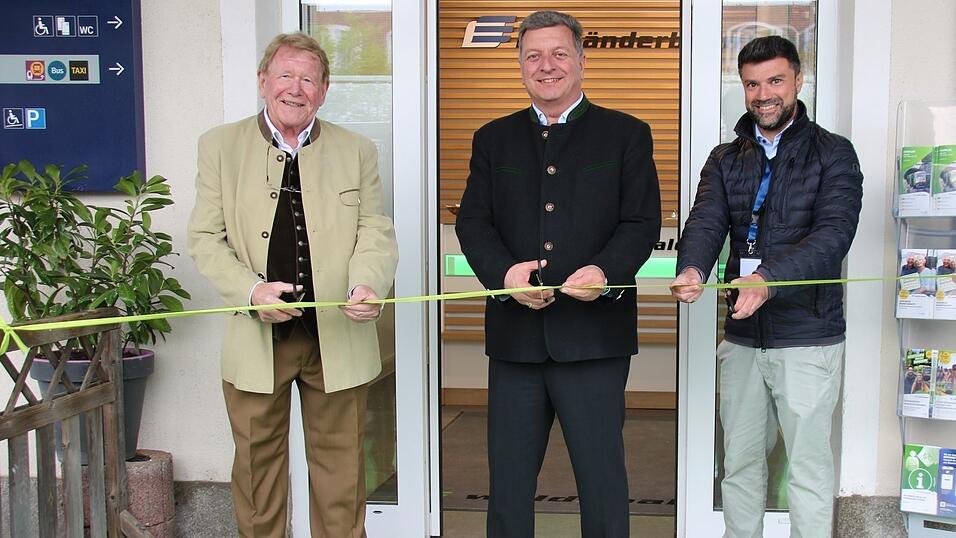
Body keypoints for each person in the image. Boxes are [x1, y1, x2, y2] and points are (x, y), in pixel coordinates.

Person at [455, 11, 661, 537]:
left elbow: (641, 224)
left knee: (602, 483)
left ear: (582, 62)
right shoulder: (492, 139)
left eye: (558, 53)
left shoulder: (627, 135)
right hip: (515, 342)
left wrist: (604, 270)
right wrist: (504, 274)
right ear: (521, 65)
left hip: (595, 340)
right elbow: (474, 223)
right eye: (533, 56)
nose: (546, 66)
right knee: (508, 488)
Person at [187, 32, 398, 538]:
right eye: (285, 75)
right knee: (258, 480)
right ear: (263, 82)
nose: (296, 88)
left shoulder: (358, 150)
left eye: (308, 79)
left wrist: (368, 282)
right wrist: (250, 291)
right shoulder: (219, 145)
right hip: (257, 341)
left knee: (343, 478)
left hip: (336, 340)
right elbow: (205, 239)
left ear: (324, 90)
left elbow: (375, 228)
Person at [669, 36, 863, 537]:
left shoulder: (834, 154)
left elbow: (832, 237)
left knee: (808, 471)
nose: (763, 94)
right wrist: (692, 268)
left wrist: (767, 279)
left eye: (775, 80)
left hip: (808, 338)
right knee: (739, 466)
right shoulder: (724, 157)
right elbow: (707, 222)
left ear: (799, 80)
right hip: (742, 339)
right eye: (752, 84)